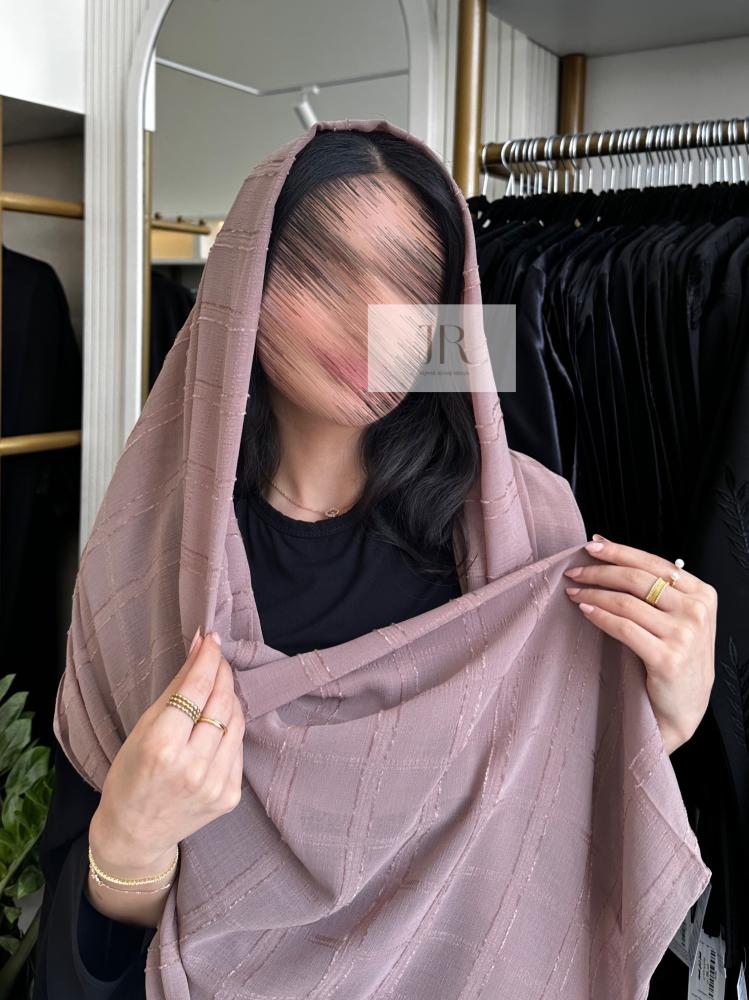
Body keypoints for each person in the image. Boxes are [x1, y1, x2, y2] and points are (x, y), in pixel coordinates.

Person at [34, 122, 715, 999]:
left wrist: (663, 723)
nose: (370, 318)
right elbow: (80, 962)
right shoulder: (145, 564)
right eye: (321, 269)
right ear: (242, 282)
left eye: (411, 282)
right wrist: (128, 846)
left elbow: (548, 843)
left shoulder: (523, 532)